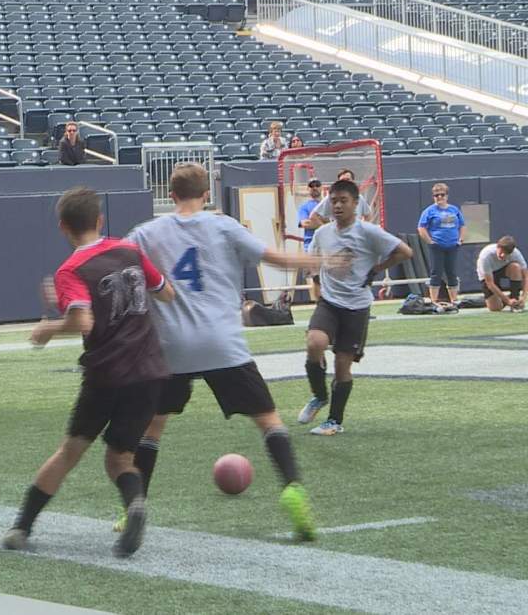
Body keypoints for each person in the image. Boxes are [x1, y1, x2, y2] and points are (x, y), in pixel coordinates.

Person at [127, 164, 328, 541]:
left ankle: (133, 508)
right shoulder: (223, 226)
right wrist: (317, 261)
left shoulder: (146, 232)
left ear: (171, 195)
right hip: (222, 343)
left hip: (171, 346)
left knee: (152, 427)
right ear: (207, 194)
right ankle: (293, 489)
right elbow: (275, 258)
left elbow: (117, 264)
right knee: (268, 420)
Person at [2, 186, 175, 557]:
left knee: (70, 452)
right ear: (100, 219)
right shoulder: (130, 250)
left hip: (107, 373)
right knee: (120, 457)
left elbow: (83, 321)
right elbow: (166, 292)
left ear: (63, 227)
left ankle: (21, 527)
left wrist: (48, 329)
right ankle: (135, 504)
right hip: (149, 370)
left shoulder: (70, 270)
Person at [300, 178, 413, 436]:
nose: (338, 206)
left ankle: (334, 421)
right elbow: (312, 260)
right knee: (315, 343)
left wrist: (377, 268)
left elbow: (405, 252)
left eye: (344, 201)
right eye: (334, 201)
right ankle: (319, 395)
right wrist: (317, 278)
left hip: (357, 307)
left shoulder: (369, 232)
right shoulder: (322, 233)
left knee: (342, 365)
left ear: (355, 204)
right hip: (329, 302)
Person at [418, 183, 465, 303]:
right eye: (436, 195)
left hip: (452, 246)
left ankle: (454, 300)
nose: (439, 197)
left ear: (447, 196)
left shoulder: (454, 210)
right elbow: (421, 227)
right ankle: (434, 301)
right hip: (437, 246)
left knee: (451, 273)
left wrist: (460, 239)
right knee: (436, 273)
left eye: (442, 194)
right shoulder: (429, 211)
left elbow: (462, 225)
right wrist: (430, 241)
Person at [476, 235, 526, 312]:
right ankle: (487, 300)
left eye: (506, 254)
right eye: (501, 252)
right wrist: (507, 301)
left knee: (516, 267)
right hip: (488, 275)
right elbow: (490, 283)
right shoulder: (486, 256)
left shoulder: (516, 253)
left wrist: (524, 297)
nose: (503, 255)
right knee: (495, 308)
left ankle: (515, 298)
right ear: (497, 247)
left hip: (503, 269)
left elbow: (525, 276)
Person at [308, 169, 373, 227]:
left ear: (353, 182)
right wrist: (327, 230)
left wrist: (363, 230)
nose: (345, 183)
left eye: (348, 180)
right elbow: (313, 216)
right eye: (342, 180)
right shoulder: (331, 198)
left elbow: (368, 215)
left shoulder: (359, 197)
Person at [297, 179, 323, 302]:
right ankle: (320, 304)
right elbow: (305, 223)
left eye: (317, 185)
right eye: (312, 186)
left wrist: (315, 222)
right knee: (316, 278)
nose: (315, 188)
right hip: (311, 246)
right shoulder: (305, 207)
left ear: (321, 187)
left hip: (328, 245)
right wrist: (324, 224)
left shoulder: (328, 204)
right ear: (308, 189)